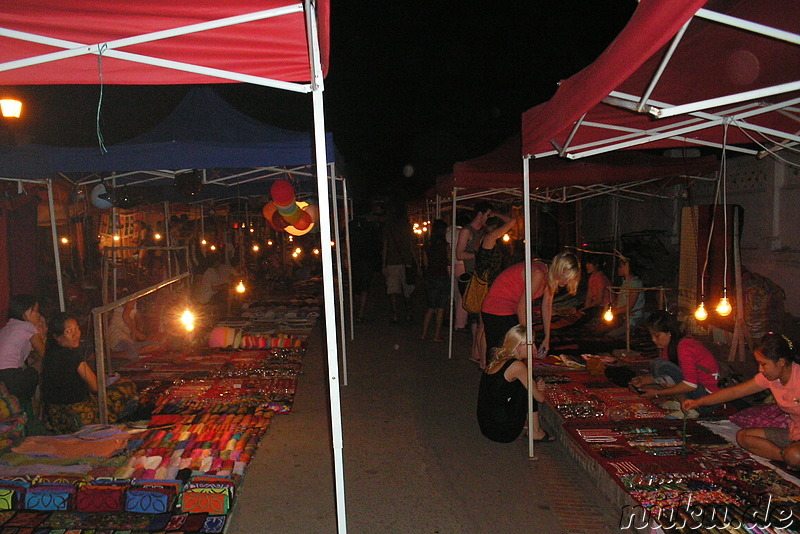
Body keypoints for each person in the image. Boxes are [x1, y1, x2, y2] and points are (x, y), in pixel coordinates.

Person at [683, 333, 800, 468]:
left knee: (794, 455)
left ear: (781, 362)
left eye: (764, 364)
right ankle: (787, 458)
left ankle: (791, 458)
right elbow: (734, 392)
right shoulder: (770, 378)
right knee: (743, 437)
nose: (760, 370)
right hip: (793, 433)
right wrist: (698, 402)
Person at [41, 313, 138, 434]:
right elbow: (95, 386)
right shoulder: (72, 356)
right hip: (79, 416)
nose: (76, 334)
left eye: (77, 328)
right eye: (69, 331)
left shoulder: (49, 355)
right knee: (127, 386)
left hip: (55, 418)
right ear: (57, 337)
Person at [481, 251, 581, 363]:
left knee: (511, 354)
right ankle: (494, 377)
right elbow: (522, 307)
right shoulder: (538, 273)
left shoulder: (550, 278)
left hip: (509, 308)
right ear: (559, 269)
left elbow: (547, 305)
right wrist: (528, 339)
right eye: (566, 276)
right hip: (497, 308)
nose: (567, 281)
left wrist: (547, 337)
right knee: (502, 354)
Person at [630, 311, 720, 415]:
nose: (654, 340)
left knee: (658, 364)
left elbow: (690, 385)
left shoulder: (685, 346)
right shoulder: (670, 347)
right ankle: (681, 402)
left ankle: (689, 408)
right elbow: (669, 375)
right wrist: (642, 381)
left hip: (707, 398)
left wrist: (657, 394)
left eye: (657, 336)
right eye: (652, 336)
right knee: (657, 365)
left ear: (669, 332)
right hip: (697, 393)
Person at [477, 325, 551, 443]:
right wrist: (541, 389)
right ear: (518, 346)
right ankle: (535, 431)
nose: (534, 348)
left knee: (526, 383)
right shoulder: (517, 366)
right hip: (502, 430)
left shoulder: (501, 358)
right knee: (528, 386)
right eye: (530, 344)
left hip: (487, 424)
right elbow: (540, 398)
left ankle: (534, 428)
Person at [471, 213, 515, 366]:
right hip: (488, 287)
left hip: (488, 285)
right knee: (485, 327)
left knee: (482, 325)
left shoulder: (484, 238)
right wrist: (495, 213)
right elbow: (512, 221)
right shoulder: (489, 238)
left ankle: (478, 355)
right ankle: (483, 361)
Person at [0, 295, 46, 405]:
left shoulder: (8, 326)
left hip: (3, 377)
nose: (38, 314)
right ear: (24, 312)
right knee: (43, 361)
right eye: (35, 310)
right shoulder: (27, 327)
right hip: (11, 377)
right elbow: (43, 352)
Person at [382, 205, 416, 323]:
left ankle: (395, 315)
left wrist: (384, 265)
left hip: (392, 262)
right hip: (406, 262)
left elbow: (385, 248)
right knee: (407, 290)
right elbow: (412, 247)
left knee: (393, 291)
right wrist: (416, 262)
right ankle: (408, 312)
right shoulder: (407, 227)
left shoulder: (388, 228)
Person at [421, 220, 449, 342]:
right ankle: (436, 335)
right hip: (442, 275)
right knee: (441, 307)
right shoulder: (445, 246)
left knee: (431, 307)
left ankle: (423, 333)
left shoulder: (427, 245)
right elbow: (448, 260)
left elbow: (425, 263)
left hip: (431, 276)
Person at [108, 297, 160, 362]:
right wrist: (137, 333)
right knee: (133, 354)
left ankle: (131, 353)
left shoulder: (135, 303)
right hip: (118, 337)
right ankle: (112, 355)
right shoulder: (130, 298)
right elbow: (125, 316)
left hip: (127, 338)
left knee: (155, 344)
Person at [606, 257, 645, 338]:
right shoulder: (625, 283)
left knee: (612, 335)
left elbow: (630, 306)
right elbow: (618, 301)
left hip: (633, 318)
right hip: (622, 317)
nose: (619, 269)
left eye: (621, 266)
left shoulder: (636, 284)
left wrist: (615, 312)